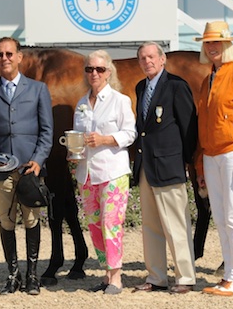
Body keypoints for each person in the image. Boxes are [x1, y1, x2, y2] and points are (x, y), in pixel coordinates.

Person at [0, 37, 53, 295]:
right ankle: (13, 275)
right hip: (1, 168)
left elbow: (46, 131)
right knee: (7, 221)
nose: (5, 58)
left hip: (29, 169)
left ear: (20, 57)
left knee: (31, 220)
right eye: (0, 55)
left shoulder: (38, 90)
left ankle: (32, 276)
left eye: (9, 53)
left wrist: (39, 160)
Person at [193, 21, 233, 296]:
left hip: (232, 153)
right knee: (220, 216)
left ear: (227, 44)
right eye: (208, 43)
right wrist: (199, 164)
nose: (211, 47)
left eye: (216, 42)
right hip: (210, 155)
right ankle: (229, 276)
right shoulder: (208, 78)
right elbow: (202, 123)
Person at [132, 41, 197, 295]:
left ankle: (185, 277)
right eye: (143, 58)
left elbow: (188, 127)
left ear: (162, 60)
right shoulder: (140, 87)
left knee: (176, 224)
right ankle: (156, 276)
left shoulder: (176, 86)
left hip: (169, 164)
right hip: (146, 164)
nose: (147, 61)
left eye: (151, 57)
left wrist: (186, 160)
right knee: (150, 225)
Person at [71, 50, 137, 295]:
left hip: (113, 171)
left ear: (109, 72)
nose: (94, 74)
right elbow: (79, 137)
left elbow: (130, 134)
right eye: (89, 69)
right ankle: (106, 274)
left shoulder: (120, 100)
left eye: (99, 69)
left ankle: (117, 276)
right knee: (95, 225)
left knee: (111, 223)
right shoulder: (81, 103)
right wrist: (74, 150)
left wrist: (105, 139)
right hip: (86, 172)